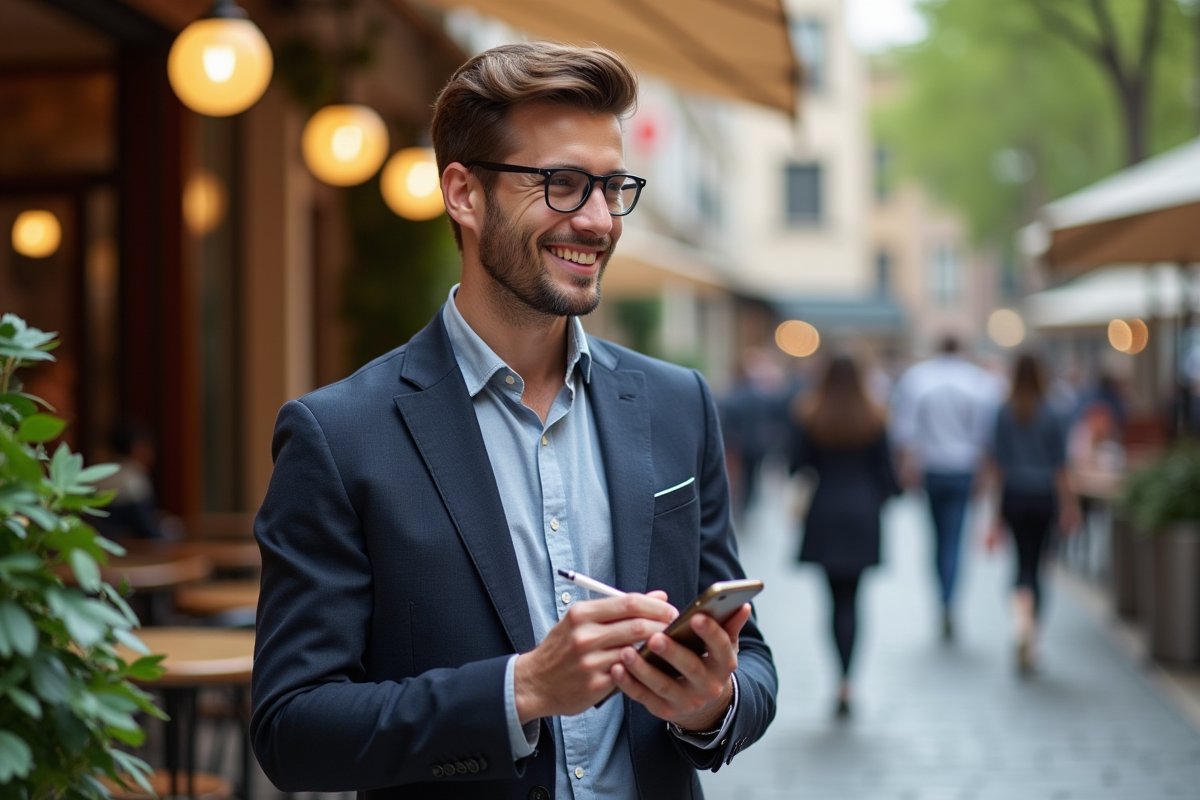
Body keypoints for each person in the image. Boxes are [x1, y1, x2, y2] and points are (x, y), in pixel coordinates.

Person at [250, 42, 776, 800]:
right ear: (464, 194)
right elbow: (292, 730)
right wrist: (521, 689)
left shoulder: (677, 403)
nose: (598, 221)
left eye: (613, 187)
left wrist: (710, 704)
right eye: (563, 185)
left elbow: (750, 659)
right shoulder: (338, 436)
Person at [788, 355, 899, 717]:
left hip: (825, 512)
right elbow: (889, 478)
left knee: (833, 602)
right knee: (854, 600)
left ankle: (838, 678)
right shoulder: (876, 416)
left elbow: (796, 465)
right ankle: (849, 680)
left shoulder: (811, 414)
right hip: (863, 513)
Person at [890, 335, 998, 641]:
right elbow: (985, 435)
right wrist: (984, 474)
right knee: (955, 538)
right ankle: (949, 599)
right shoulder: (978, 382)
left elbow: (905, 431)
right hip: (963, 468)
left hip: (932, 467)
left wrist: (906, 467)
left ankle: (943, 596)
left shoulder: (918, 379)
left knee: (936, 538)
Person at [987, 353, 1080, 674]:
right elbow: (1060, 466)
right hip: (1044, 496)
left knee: (1021, 564)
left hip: (1014, 494)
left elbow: (998, 465)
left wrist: (994, 512)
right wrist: (1070, 504)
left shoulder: (1004, 411)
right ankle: (1032, 633)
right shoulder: (1053, 412)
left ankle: (1020, 624)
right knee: (1039, 566)